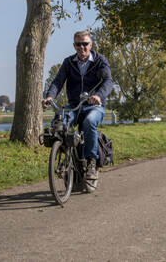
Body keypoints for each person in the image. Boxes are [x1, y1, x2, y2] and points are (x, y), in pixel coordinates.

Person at [43, 30, 114, 193]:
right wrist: (49, 97)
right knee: (60, 123)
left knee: (89, 122)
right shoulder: (68, 62)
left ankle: (91, 163)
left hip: (94, 106)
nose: (82, 47)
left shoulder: (99, 60)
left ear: (91, 45)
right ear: (74, 45)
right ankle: (65, 155)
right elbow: (57, 82)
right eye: (78, 44)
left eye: (85, 44)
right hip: (74, 105)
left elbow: (108, 81)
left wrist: (98, 95)